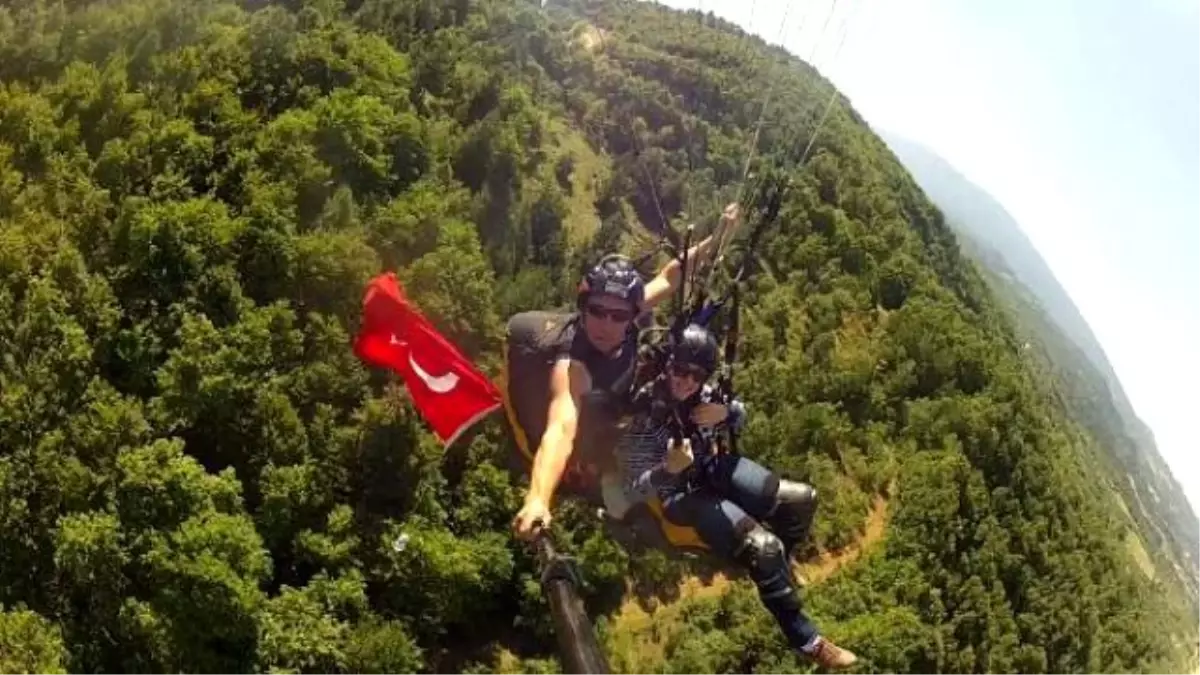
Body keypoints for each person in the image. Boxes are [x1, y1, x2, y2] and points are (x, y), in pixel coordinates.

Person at [617, 323, 859, 669]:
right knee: (764, 548)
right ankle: (807, 640)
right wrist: (667, 469)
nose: (686, 381)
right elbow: (629, 491)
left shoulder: (704, 396)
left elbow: (741, 413)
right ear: (668, 365)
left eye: (695, 375)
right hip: (681, 497)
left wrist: (727, 413)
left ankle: (783, 565)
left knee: (803, 499)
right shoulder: (646, 416)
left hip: (713, 468)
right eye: (680, 371)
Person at [506, 204, 743, 542]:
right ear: (584, 308)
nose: (606, 324)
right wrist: (538, 499)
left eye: (618, 316)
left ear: (632, 314)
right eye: (597, 312)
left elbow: (670, 277)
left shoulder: (630, 310)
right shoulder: (574, 365)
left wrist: (718, 237)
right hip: (587, 418)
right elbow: (560, 428)